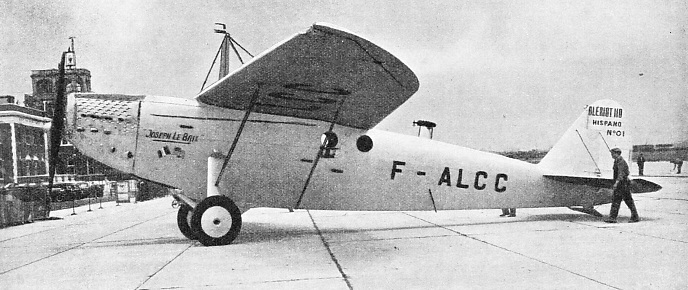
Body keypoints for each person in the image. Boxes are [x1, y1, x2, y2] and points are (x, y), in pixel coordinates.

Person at [605, 148, 640, 223]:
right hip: (622, 184)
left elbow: (621, 174)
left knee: (627, 201)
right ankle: (612, 218)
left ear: (617, 153)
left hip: (622, 184)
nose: (611, 155)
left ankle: (634, 217)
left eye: (612, 153)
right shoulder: (617, 161)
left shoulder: (621, 162)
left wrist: (616, 183)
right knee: (617, 200)